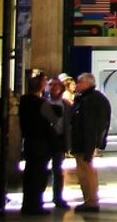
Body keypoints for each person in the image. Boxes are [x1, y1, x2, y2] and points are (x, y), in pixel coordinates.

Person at [71, 72, 111, 213]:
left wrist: (92, 145)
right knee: (84, 171)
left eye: (79, 82)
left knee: (87, 171)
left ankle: (91, 201)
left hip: (85, 142)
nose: (77, 85)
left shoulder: (91, 99)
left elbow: (91, 125)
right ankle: (88, 199)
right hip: (83, 142)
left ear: (87, 83)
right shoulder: (86, 98)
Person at [18, 72, 54, 215]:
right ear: (41, 87)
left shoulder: (24, 101)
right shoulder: (41, 104)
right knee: (38, 175)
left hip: (29, 141)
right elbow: (53, 119)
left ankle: (27, 204)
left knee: (30, 173)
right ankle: (35, 205)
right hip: (40, 143)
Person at [46, 76, 72, 209]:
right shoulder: (44, 103)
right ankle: (39, 197)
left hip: (60, 139)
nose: (53, 88)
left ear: (61, 89)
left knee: (58, 169)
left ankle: (58, 197)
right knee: (43, 169)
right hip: (45, 140)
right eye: (50, 85)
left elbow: (69, 124)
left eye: (56, 86)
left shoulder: (66, 105)